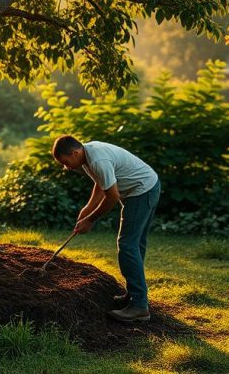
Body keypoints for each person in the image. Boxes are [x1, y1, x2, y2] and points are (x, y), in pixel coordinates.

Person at [52, 135, 161, 322]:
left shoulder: (98, 160)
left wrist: (90, 220)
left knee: (127, 245)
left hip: (142, 191)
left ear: (75, 152)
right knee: (135, 245)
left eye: (66, 162)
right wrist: (87, 209)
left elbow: (111, 196)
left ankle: (139, 307)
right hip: (147, 187)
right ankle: (134, 295)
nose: (67, 167)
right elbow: (101, 184)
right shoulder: (87, 157)